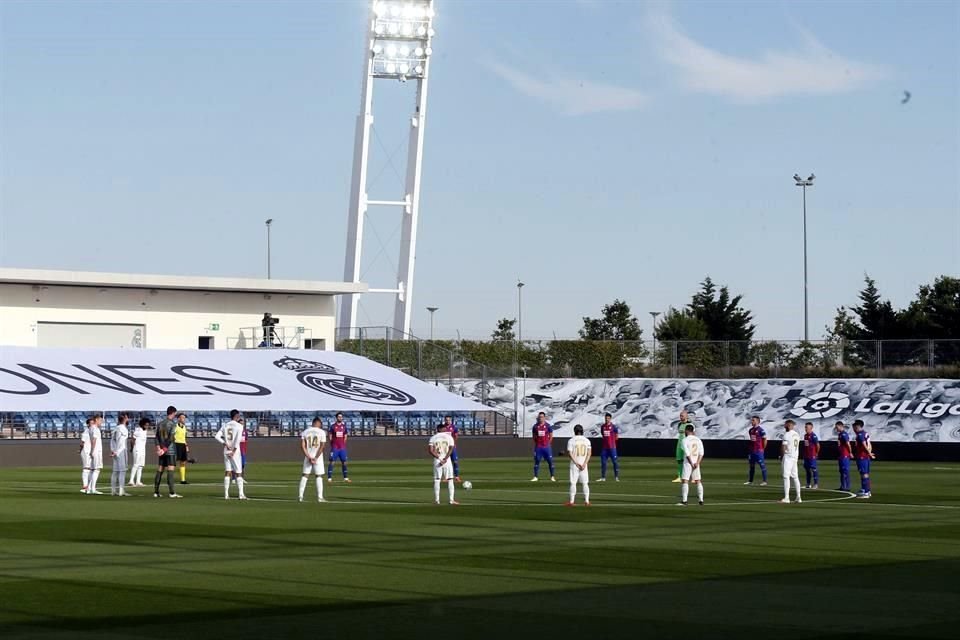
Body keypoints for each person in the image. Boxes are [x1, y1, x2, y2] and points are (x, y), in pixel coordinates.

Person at [214, 410, 247, 500]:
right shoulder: (240, 426)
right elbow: (237, 440)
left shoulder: (225, 425)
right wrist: (234, 451)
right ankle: (241, 494)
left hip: (226, 450)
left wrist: (224, 443)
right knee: (238, 472)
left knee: (227, 471)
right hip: (234, 452)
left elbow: (216, 436)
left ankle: (226, 494)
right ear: (236, 416)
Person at [154, 405, 181, 498]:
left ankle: (156, 492)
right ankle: (172, 492)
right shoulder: (173, 424)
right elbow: (170, 439)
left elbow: (156, 437)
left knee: (160, 469)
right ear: (173, 413)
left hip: (161, 450)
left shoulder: (160, 423)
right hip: (170, 450)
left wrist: (159, 448)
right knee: (170, 470)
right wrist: (164, 449)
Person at [428, 424, 458, 505]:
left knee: (437, 480)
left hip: (437, 460)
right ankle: (451, 500)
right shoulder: (449, 437)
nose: (446, 429)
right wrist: (445, 458)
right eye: (444, 428)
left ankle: (437, 500)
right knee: (450, 479)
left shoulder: (433, 437)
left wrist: (439, 458)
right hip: (447, 460)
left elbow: (430, 450)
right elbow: (452, 448)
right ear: (441, 429)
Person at [299, 417, 326, 503]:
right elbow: (322, 446)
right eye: (320, 423)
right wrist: (316, 457)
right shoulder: (322, 432)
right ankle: (320, 497)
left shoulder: (305, 431)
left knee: (305, 475)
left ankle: (300, 496)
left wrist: (308, 456)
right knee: (318, 476)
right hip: (317, 457)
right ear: (317, 423)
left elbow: (302, 446)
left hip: (308, 455)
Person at [678, 424, 704, 506]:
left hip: (688, 462)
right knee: (698, 481)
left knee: (685, 480)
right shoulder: (698, 440)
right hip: (696, 462)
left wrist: (691, 463)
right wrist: (697, 463)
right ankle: (701, 500)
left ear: (686, 431)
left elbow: (687, 453)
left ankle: (684, 501)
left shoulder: (684, 440)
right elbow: (701, 453)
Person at [566, 424, 592, 506]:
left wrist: (576, 463)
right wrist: (584, 464)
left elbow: (570, 454)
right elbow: (589, 453)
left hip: (575, 465)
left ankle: (572, 501)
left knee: (573, 483)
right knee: (585, 483)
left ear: (574, 431)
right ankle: (587, 501)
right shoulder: (587, 440)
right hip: (584, 464)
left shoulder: (571, 440)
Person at [780, 420, 802, 504]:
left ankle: (786, 497)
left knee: (786, 476)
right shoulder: (797, 434)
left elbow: (784, 447)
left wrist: (781, 456)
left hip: (788, 457)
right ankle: (798, 497)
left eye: (785, 425)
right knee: (795, 477)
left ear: (789, 425)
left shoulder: (787, 434)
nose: (784, 426)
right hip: (795, 457)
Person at [852, 419, 875, 499]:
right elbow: (870, 444)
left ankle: (866, 492)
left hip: (862, 457)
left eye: (854, 427)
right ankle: (865, 490)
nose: (853, 429)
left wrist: (869, 453)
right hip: (865, 456)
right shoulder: (865, 433)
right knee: (865, 474)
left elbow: (864, 444)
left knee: (864, 474)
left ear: (857, 427)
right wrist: (870, 453)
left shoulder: (860, 435)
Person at [530, 412, 556, 482]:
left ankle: (552, 476)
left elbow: (551, 436)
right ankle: (535, 476)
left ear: (544, 418)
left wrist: (548, 444)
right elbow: (534, 436)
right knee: (537, 461)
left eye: (542, 417)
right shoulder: (535, 426)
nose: (540, 418)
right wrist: (537, 443)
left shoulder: (548, 426)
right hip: (538, 447)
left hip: (546, 447)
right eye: (539, 417)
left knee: (550, 461)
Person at [109, 413, 130, 497]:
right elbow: (122, 443)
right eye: (127, 417)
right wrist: (117, 451)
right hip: (120, 452)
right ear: (125, 419)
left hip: (115, 451)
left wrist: (113, 450)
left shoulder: (115, 428)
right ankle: (121, 490)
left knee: (115, 471)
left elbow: (112, 441)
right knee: (122, 471)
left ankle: (113, 491)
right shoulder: (123, 429)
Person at [744, 416, 768, 486]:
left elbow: (765, 440)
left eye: (753, 420)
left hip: (758, 451)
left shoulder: (761, 430)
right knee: (751, 466)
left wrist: (763, 448)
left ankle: (765, 481)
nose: (752, 422)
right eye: (751, 420)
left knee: (762, 466)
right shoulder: (750, 430)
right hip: (752, 451)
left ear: (757, 421)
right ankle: (750, 481)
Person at [327, 412, 351, 483]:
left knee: (344, 462)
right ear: (336, 418)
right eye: (339, 417)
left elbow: (345, 436)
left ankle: (345, 478)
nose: (340, 418)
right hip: (335, 447)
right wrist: (332, 443)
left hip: (342, 448)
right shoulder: (333, 426)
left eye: (341, 417)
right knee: (332, 462)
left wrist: (343, 444)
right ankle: (329, 478)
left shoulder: (344, 426)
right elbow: (330, 436)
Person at [673, 410, 695, 482]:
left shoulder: (690, 425)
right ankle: (680, 476)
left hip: (688, 445)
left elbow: (693, 435)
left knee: (690, 460)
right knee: (679, 460)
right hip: (680, 444)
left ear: (686, 416)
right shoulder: (679, 424)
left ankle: (693, 477)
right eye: (680, 416)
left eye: (682, 416)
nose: (681, 417)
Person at [598, 413, 620, 482]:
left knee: (615, 462)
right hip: (605, 448)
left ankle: (616, 477)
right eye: (606, 418)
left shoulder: (613, 427)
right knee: (603, 463)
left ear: (610, 419)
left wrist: (613, 442)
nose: (607, 419)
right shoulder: (603, 426)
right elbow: (602, 434)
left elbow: (617, 435)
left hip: (612, 448)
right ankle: (603, 477)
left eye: (608, 418)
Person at [128, 417, 149, 487]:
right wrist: (132, 448)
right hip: (137, 449)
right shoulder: (138, 430)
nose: (147, 426)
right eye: (146, 425)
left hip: (143, 450)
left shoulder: (145, 431)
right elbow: (132, 440)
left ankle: (138, 481)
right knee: (136, 464)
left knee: (140, 466)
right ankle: (131, 481)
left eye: (148, 425)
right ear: (142, 424)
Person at [87, 414, 104, 495]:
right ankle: (93, 489)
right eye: (100, 420)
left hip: (94, 450)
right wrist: (92, 450)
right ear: (96, 420)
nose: (101, 422)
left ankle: (89, 488)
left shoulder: (91, 428)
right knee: (97, 469)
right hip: (96, 451)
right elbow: (94, 440)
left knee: (92, 470)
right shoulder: (95, 429)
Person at [441, 415, 462, 482]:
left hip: (452, 447)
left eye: (449, 420)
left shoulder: (454, 427)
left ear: (451, 420)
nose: (448, 421)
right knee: (444, 462)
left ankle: (456, 476)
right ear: (445, 420)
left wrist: (453, 443)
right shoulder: (442, 427)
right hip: (444, 447)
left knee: (455, 462)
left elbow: (456, 436)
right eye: (446, 420)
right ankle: (445, 477)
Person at [802, 421, 820, 489]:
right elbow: (806, 445)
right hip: (806, 455)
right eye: (805, 427)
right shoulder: (805, 436)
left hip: (812, 455)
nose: (806, 429)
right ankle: (808, 484)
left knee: (814, 469)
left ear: (811, 428)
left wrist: (816, 453)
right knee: (807, 470)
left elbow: (818, 445)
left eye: (807, 427)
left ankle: (816, 484)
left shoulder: (813, 436)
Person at [174, 412, 190, 485]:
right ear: (178, 419)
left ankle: (183, 480)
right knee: (173, 462)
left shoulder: (184, 427)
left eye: (184, 418)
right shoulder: (175, 426)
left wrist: (186, 445)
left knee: (183, 462)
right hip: (176, 444)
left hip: (183, 445)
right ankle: (170, 478)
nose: (184, 419)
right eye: (182, 417)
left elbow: (184, 437)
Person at [836, 421, 852, 492]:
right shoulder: (840, 434)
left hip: (845, 455)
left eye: (837, 427)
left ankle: (847, 486)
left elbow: (848, 444)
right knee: (842, 471)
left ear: (840, 426)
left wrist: (850, 452)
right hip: (841, 455)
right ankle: (842, 486)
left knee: (845, 471)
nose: (836, 429)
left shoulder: (844, 434)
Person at [79, 417, 93, 493]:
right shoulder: (85, 432)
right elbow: (82, 443)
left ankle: (89, 485)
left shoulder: (93, 431)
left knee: (90, 468)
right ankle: (85, 486)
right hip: (86, 451)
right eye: (91, 423)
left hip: (90, 451)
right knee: (86, 468)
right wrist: (80, 450)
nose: (92, 424)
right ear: (88, 424)